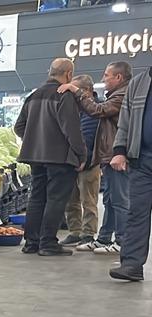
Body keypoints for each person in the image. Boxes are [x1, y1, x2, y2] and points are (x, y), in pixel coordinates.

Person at [14, 58, 87, 256]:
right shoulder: (64, 95)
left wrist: (35, 140)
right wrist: (81, 154)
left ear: (50, 72)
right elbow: (71, 129)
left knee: (36, 198)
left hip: (35, 157)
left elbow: (19, 127)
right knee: (56, 199)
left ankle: (31, 243)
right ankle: (48, 243)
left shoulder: (33, 96)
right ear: (69, 74)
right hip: (60, 158)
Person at [61, 62, 132, 254]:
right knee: (109, 199)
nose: (104, 79)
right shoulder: (116, 96)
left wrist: (76, 91)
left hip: (115, 156)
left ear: (118, 77)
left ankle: (122, 241)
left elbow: (98, 112)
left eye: (107, 75)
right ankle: (103, 238)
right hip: (108, 157)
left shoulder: (122, 96)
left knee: (118, 200)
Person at [107, 64, 152, 281]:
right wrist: (119, 151)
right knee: (136, 213)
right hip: (142, 160)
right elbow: (124, 122)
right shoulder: (138, 83)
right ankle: (132, 265)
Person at [58, 74, 100, 247]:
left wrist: (85, 160)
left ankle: (88, 234)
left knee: (88, 200)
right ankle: (75, 231)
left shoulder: (95, 110)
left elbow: (90, 138)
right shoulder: (76, 109)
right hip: (72, 163)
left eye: (74, 89)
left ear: (87, 91)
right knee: (71, 200)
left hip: (88, 164)